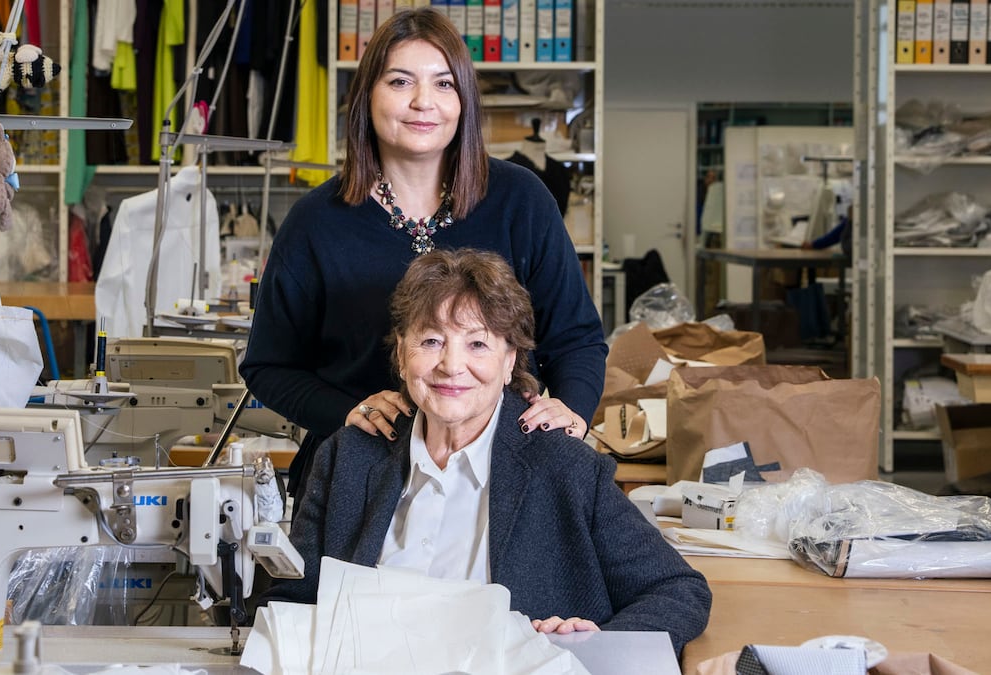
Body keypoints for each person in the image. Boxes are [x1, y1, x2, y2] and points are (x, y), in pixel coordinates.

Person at [240, 7, 606, 507]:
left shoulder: (521, 200)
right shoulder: (315, 222)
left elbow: (578, 338)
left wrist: (573, 410)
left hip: (504, 479)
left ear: (464, 101)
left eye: (444, 84)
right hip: (357, 480)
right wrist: (349, 410)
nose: (422, 103)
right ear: (366, 95)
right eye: (400, 81)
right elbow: (269, 366)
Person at [261, 249, 711, 653]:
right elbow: (291, 600)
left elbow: (678, 591)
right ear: (401, 353)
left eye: (477, 343)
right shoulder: (349, 456)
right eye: (431, 340)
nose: (451, 366)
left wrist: (594, 645)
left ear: (510, 359)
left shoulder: (563, 465)